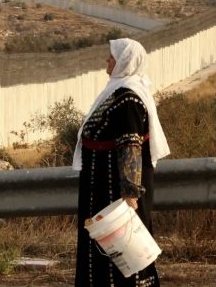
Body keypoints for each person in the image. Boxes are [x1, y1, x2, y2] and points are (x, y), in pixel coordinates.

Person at [72, 38, 170, 287]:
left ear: (124, 62)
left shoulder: (129, 100)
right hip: (101, 188)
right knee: (104, 252)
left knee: (125, 254)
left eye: (112, 56)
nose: (107, 60)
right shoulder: (117, 93)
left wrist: (130, 194)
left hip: (115, 192)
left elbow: (131, 147)